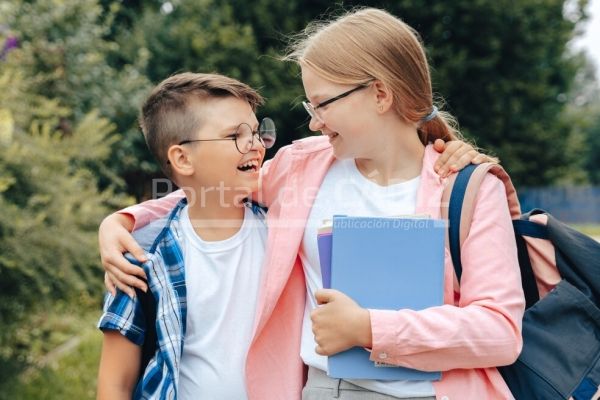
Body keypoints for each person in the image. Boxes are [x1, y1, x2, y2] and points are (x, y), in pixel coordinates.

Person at [98, 8, 523, 400]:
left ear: (379, 94)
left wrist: (371, 329)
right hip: (325, 390)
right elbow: (212, 188)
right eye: (310, 106)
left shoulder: (468, 189)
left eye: (321, 104)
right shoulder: (303, 167)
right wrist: (123, 221)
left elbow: (500, 332)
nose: (314, 121)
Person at [96, 72, 276, 399]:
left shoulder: (282, 232)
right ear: (182, 158)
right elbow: (115, 383)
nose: (255, 144)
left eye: (256, 131)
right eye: (235, 135)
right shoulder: (141, 254)